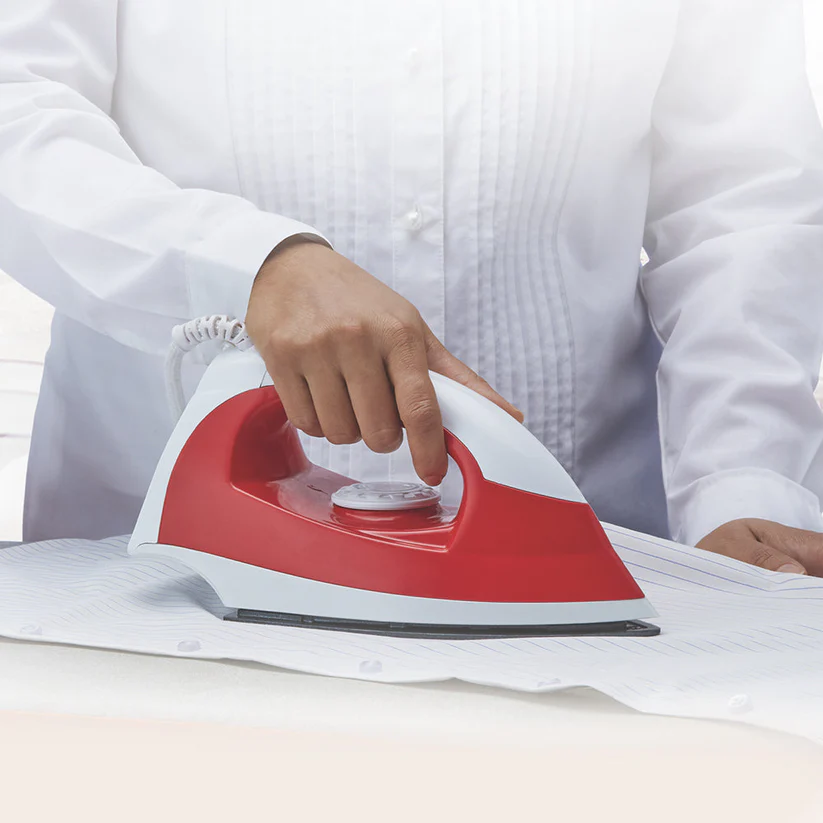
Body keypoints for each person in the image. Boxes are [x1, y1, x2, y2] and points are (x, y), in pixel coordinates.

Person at [2, 0, 823, 575]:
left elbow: (738, 200)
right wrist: (247, 266)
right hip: (154, 576)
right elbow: (17, 108)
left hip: (611, 567)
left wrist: (741, 482)